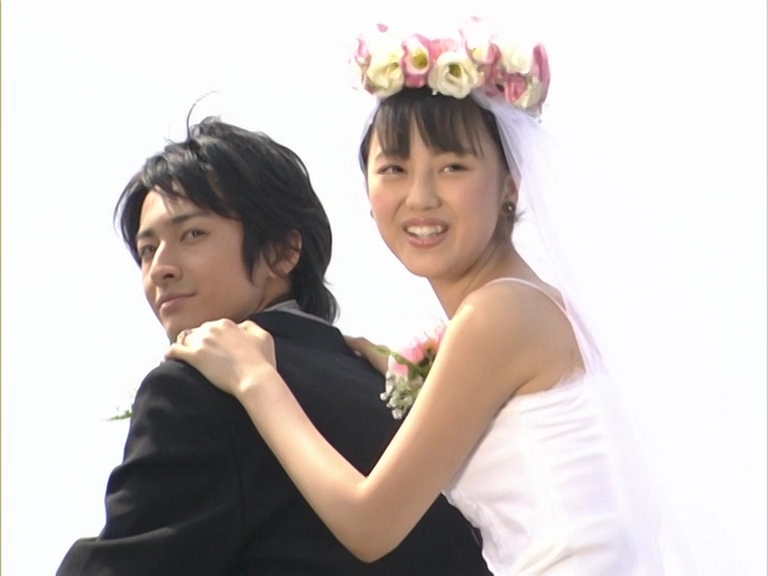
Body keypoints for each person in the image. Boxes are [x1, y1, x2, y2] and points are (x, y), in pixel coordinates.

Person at [167, 21, 668, 575]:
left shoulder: (498, 315)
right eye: (394, 169)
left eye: (452, 167)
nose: (420, 197)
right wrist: (401, 372)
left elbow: (369, 523)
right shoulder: (523, 308)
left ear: (511, 182)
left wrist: (255, 379)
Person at [56, 118, 492, 575]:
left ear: (283, 252)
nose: (160, 269)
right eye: (147, 250)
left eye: (192, 235)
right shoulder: (386, 383)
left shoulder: (195, 391)